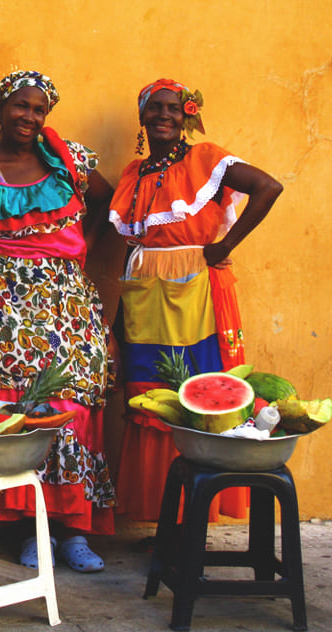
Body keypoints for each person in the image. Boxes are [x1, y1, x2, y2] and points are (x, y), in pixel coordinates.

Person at [0, 70, 116, 572]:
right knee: (16, 412)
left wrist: (86, 246)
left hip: (69, 306)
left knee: (71, 406)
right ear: (1, 110)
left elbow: (109, 200)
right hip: (3, 310)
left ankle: (73, 530)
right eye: (19, 107)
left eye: (37, 109)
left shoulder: (70, 162)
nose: (28, 117)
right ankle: (31, 530)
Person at [109, 79, 282, 522]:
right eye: (155, 108)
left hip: (195, 291)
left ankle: (191, 515)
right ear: (143, 116)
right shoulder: (135, 174)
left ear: (187, 116)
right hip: (144, 293)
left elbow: (268, 187)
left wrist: (223, 248)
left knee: (193, 390)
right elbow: (134, 247)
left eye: (174, 108)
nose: (164, 115)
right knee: (150, 394)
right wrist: (116, 321)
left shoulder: (205, 159)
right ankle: (159, 511)